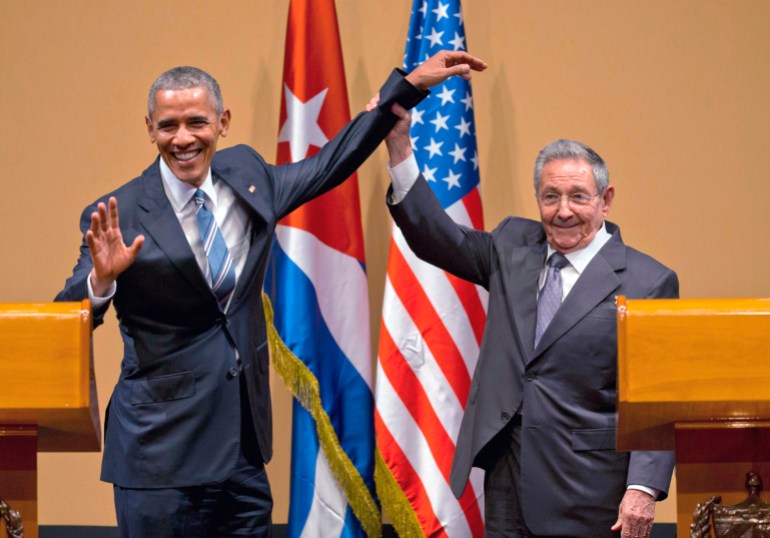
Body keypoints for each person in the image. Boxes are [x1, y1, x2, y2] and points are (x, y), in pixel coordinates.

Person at [55, 51, 487, 537]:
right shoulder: (119, 213)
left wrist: (407, 87)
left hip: (241, 452)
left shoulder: (248, 177)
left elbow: (331, 163)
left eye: (196, 122)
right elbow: (63, 320)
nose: (182, 139)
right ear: (149, 128)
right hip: (160, 458)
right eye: (168, 125)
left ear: (223, 123)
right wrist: (101, 282)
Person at [380, 103, 678, 537]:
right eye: (550, 196)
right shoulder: (512, 245)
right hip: (508, 479)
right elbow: (437, 238)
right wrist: (399, 145)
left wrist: (643, 488)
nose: (563, 211)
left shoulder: (649, 280)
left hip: (590, 490)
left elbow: (657, 400)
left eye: (578, 196)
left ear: (606, 200)